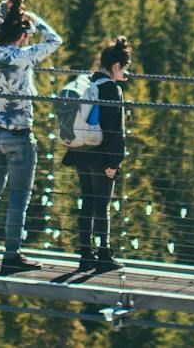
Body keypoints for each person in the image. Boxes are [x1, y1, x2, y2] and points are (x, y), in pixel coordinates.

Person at [0, 0, 63, 273]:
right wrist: (32, 17)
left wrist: (5, 9)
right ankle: (12, 254)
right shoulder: (24, 56)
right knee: (18, 197)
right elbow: (56, 40)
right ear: (22, 35)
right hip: (20, 135)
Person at [63, 36, 130, 273]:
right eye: (125, 68)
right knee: (103, 205)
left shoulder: (87, 83)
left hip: (80, 150)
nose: (126, 73)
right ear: (115, 67)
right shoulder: (111, 88)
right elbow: (115, 129)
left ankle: (85, 254)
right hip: (101, 155)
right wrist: (115, 161)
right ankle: (104, 254)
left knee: (88, 201)